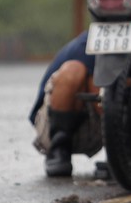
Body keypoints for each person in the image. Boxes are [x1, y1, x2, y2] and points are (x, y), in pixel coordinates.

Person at [29, 32, 103, 177]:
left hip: (110, 133)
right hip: (51, 127)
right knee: (83, 74)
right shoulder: (86, 45)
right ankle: (59, 148)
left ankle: (126, 152)